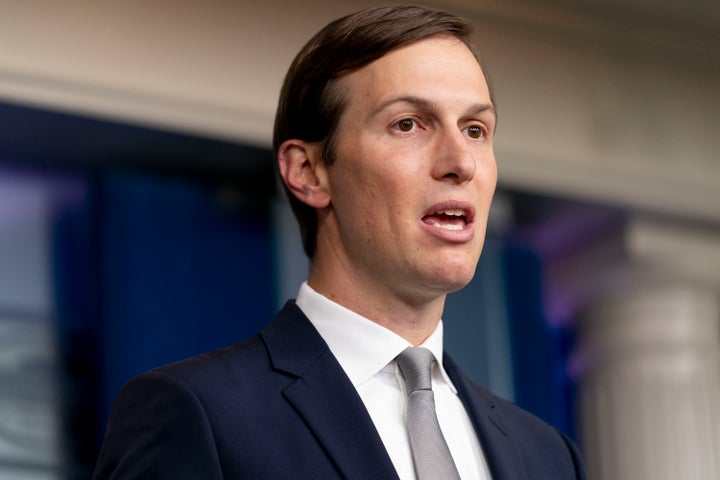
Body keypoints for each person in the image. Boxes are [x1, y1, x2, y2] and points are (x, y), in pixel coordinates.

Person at [93, 5, 586, 479]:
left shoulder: (547, 455)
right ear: (309, 172)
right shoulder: (196, 412)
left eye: (475, 129)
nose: (462, 162)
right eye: (408, 124)